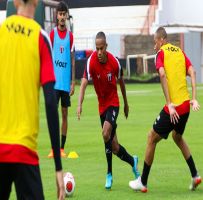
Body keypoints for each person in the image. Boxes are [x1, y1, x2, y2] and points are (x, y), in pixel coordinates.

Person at [0, 0, 64, 199]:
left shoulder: (1, 32)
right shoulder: (40, 37)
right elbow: (51, 102)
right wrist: (58, 168)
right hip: (24, 152)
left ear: (15, 1)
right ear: (37, 2)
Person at [129, 26, 201, 193]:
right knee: (177, 136)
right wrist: (194, 98)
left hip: (174, 108)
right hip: (186, 107)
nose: (154, 46)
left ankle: (143, 182)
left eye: (155, 42)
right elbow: (193, 71)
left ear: (162, 40)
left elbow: (161, 74)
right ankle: (195, 175)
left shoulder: (161, 53)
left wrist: (169, 103)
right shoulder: (179, 52)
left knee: (151, 137)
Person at [77, 31, 140, 190]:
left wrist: (125, 104)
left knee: (105, 133)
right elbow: (84, 82)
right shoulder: (91, 61)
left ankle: (109, 173)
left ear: (106, 46)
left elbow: (122, 83)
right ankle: (133, 161)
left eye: (101, 48)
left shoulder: (114, 62)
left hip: (113, 103)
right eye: (96, 48)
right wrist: (79, 104)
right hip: (101, 106)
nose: (99, 52)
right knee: (114, 146)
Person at [48, 1, 75, 158]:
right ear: (56, 16)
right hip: (53, 82)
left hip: (65, 84)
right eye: (60, 14)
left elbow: (72, 60)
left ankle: (62, 149)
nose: (62, 17)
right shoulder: (52, 34)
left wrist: (73, 82)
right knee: (53, 115)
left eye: (64, 14)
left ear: (67, 16)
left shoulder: (70, 37)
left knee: (64, 114)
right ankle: (53, 149)